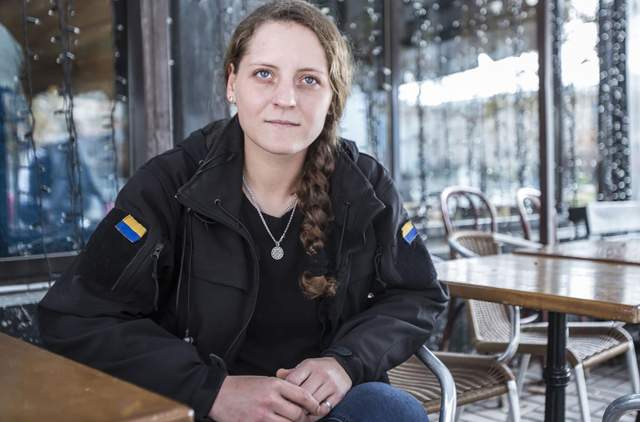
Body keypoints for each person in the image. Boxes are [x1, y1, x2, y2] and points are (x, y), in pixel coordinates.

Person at [38, 1, 449, 421]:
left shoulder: (365, 186)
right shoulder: (169, 185)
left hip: (326, 410)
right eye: (264, 74)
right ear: (232, 84)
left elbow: (417, 293)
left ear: (333, 97)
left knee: (390, 409)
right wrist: (211, 389)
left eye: (309, 80)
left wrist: (346, 362)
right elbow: (75, 316)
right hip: (206, 410)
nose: (285, 99)